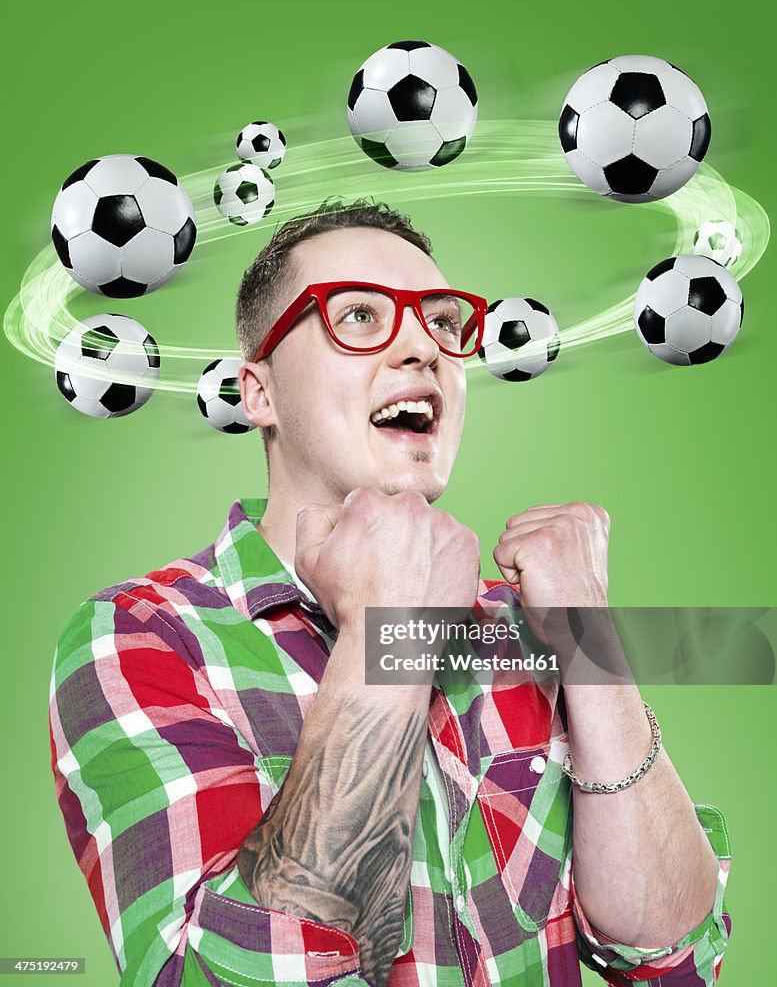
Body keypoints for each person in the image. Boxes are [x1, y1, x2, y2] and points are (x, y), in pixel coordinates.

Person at [49, 198, 731, 987]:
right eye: (360, 316)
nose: (422, 348)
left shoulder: (525, 628)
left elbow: (671, 960)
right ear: (257, 393)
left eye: (443, 322)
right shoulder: (142, 637)